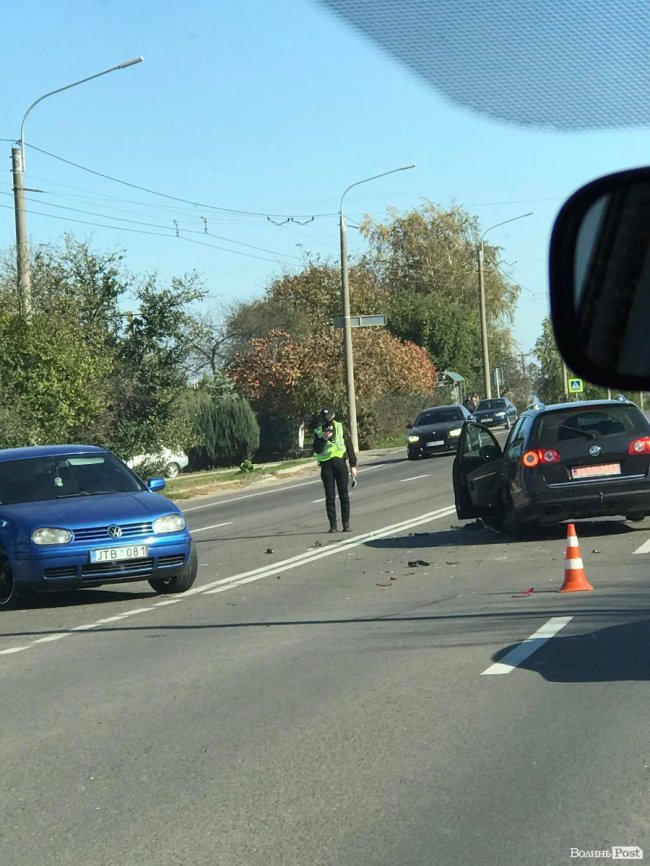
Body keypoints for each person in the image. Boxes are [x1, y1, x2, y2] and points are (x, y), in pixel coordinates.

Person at [312, 406, 358, 533]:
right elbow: (316, 449)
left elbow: (349, 446)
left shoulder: (341, 427)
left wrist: (353, 465)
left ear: (333, 416)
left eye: (328, 417)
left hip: (340, 464)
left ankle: (346, 524)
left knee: (344, 494)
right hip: (326, 466)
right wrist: (323, 439)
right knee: (330, 496)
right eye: (324, 417)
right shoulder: (318, 431)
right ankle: (333, 525)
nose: (327, 420)